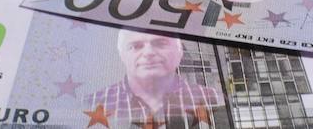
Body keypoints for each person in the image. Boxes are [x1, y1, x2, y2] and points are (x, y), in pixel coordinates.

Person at [83, 30, 223, 127]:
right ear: (122, 56)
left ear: (179, 53)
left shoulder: (213, 98)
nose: (148, 53)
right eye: (136, 46)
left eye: (160, 43)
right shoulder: (94, 103)